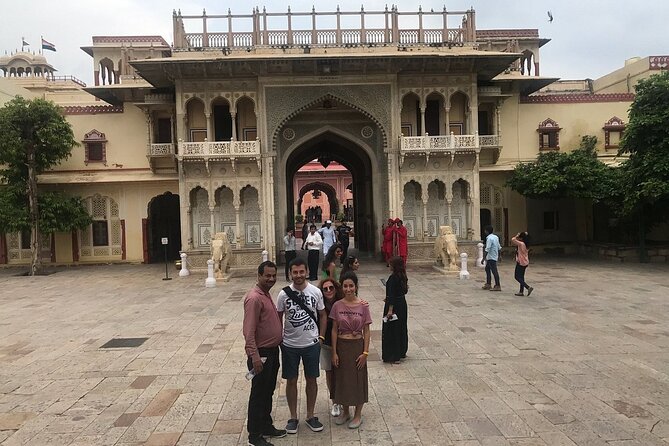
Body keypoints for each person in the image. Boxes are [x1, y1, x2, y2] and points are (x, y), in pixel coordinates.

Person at [277, 258, 327, 434]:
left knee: (311, 379)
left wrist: (320, 336)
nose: (298, 275)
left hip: (311, 343)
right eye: (295, 272)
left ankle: (310, 415)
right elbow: (278, 317)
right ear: (290, 273)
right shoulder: (283, 294)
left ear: (306, 272)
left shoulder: (315, 292)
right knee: (290, 380)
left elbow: (322, 315)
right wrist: (279, 339)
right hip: (290, 344)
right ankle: (293, 417)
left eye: (301, 272)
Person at [242, 261, 286, 446]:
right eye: (267, 275)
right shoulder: (254, 298)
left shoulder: (265, 294)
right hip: (261, 354)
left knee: (268, 391)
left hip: (272, 352)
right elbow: (248, 331)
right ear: (259, 275)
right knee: (258, 393)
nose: (271, 279)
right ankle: (254, 435)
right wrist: (255, 357)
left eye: (273, 275)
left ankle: (266, 425)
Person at [330, 272, 372, 429]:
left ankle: (358, 414)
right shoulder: (337, 305)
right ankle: (345, 411)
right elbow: (334, 330)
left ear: (356, 286)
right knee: (342, 379)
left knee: (358, 378)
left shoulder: (363, 305)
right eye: (345, 286)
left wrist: (365, 352)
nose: (348, 289)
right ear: (342, 287)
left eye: (351, 286)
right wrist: (334, 352)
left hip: (357, 346)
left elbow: (366, 330)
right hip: (341, 345)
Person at [318, 277, 344, 418]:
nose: (328, 291)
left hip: (341, 343)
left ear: (335, 288)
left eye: (331, 288)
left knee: (341, 372)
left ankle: (343, 398)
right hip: (326, 343)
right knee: (329, 372)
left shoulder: (342, 302)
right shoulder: (319, 305)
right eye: (325, 289)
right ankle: (335, 401)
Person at [382, 256, 409, 364]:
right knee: (401, 327)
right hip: (402, 304)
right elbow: (401, 291)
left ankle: (394, 355)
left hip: (394, 306)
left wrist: (390, 310)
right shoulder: (402, 276)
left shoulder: (393, 278)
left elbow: (392, 294)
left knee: (392, 330)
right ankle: (402, 351)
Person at [511, 231, 534, 296]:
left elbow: (513, 239)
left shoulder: (521, 244)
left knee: (516, 276)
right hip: (525, 262)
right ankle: (521, 291)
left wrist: (517, 235)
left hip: (520, 262)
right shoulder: (527, 244)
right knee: (521, 277)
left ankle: (528, 287)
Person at [481, 225, 502, 291]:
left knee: (494, 271)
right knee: (487, 269)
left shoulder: (489, 239)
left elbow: (487, 249)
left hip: (491, 257)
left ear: (487, 231)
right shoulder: (495, 237)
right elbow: (499, 247)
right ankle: (488, 283)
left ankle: (497, 285)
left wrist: (483, 258)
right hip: (494, 255)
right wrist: (499, 255)